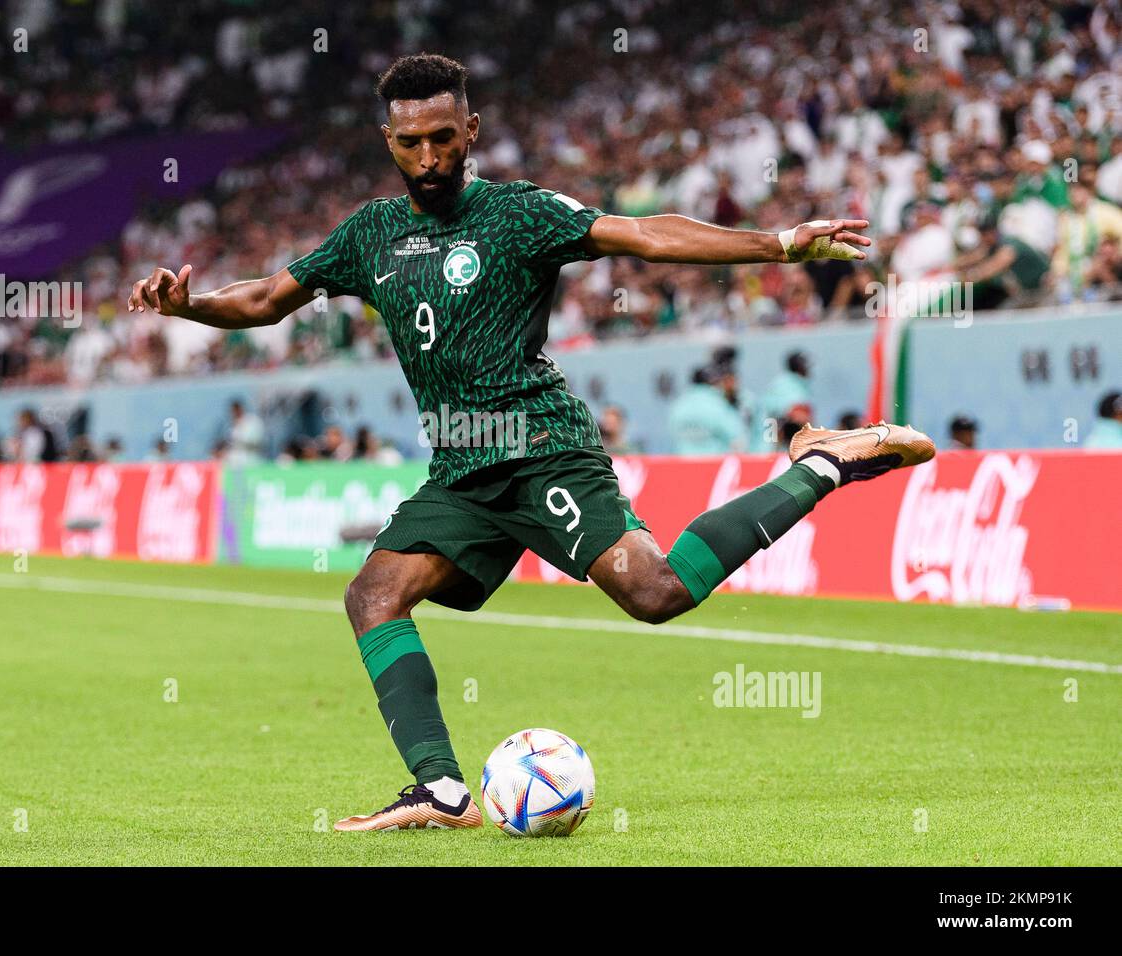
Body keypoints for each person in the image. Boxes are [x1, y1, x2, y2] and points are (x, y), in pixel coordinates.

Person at [127, 53, 935, 832]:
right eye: (411, 142)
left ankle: (821, 461)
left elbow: (646, 236)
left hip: (541, 445)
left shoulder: (519, 215)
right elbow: (267, 298)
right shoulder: (368, 235)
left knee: (655, 594)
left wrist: (781, 243)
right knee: (373, 594)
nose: (430, 155)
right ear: (389, 143)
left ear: (471, 130)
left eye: (444, 137)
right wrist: (189, 307)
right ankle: (441, 790)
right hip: (460, 471)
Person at [668, 365, 747, 455]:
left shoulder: (679, 404)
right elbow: (736, 435)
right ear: (714, 383)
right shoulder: (717, 403)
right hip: (713, 463)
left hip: (683, 463)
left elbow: (672, 432)